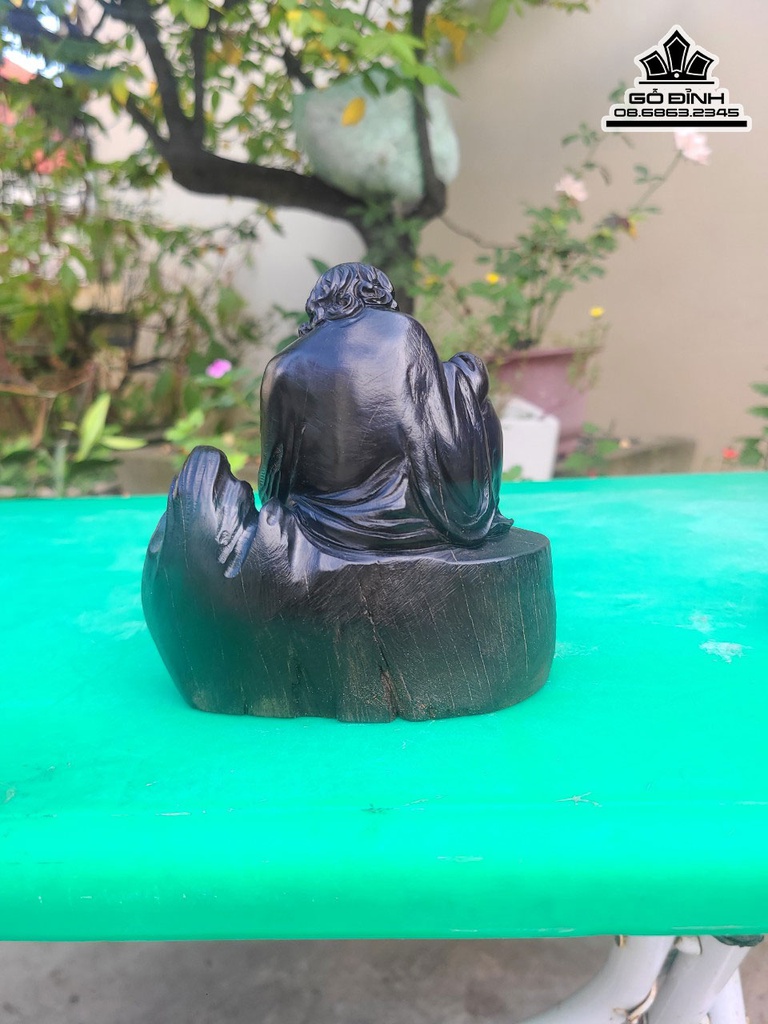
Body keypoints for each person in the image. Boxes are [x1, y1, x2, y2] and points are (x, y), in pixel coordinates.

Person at [258, 262, 510, 555]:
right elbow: (435, 419)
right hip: (407, 517)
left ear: (318, 302)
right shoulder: (402, 330)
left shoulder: (283, 365)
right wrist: (463, 376)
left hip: (318, 523)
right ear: (378, 292)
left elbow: (272, 477)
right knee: (472, 394)